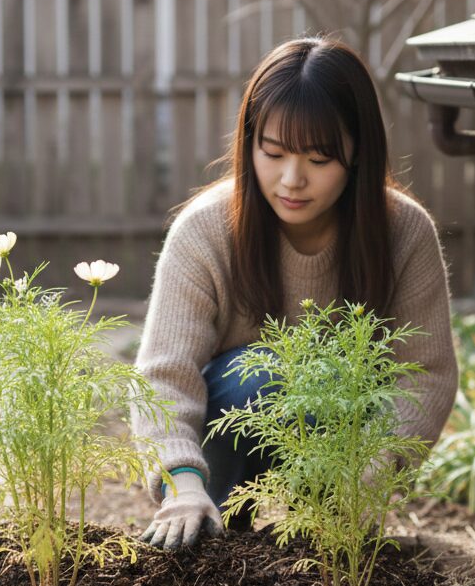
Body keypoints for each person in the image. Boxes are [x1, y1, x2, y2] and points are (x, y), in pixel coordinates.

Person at [133, 35, 457, 551]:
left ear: (357, 153)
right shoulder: (206, 230)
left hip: (346, 451)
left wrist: (373, 474)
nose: (292, 179)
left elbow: (427, 372)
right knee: (262, 374)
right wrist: (181, 482)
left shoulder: (403, 233)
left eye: (319, 159)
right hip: (225, 437)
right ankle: (215, 533)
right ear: (249, 142)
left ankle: (321, 540)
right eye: (274, 152)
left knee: (326, 386)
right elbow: (164, 375)